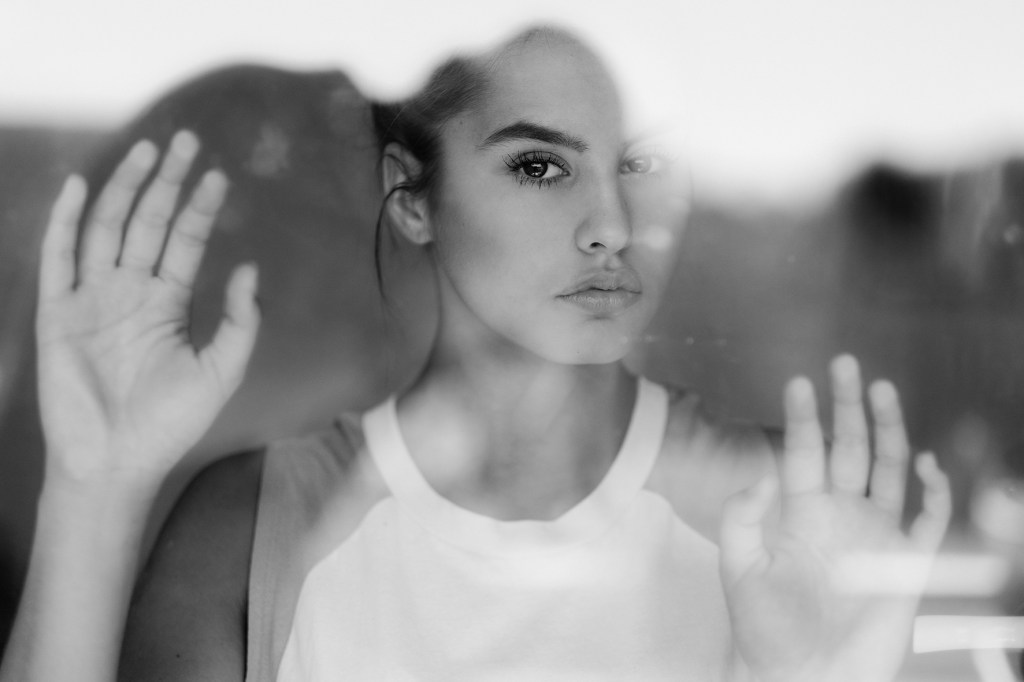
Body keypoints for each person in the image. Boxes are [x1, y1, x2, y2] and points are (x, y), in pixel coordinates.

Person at [0, 26, 951, 682]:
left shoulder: (809, 517)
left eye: (642, 161)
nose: (613, 225)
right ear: (413, 196)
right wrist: (93, 487)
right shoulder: (254, 529)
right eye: (540, 165)